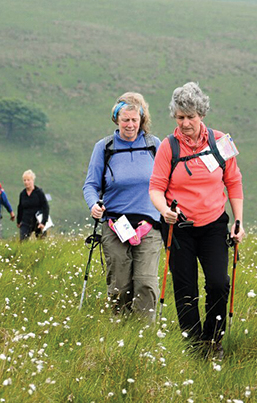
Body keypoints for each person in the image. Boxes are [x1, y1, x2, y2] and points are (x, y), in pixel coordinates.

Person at [149, 82, 245, 360]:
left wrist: (238, 221)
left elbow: (234, 182)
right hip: (178, 228)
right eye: (180, 117)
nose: (186, 123)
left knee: (218, 282)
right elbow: (155, 187)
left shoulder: (221, 142)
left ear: (201, 114)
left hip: (214, 225)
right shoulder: (168, 147)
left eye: (191, 116)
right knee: (185, 288)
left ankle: (214, 341)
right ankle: (194, 348)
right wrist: (164, 209)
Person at [82, 92, 163, 321]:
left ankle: (144, 335)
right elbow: (90, 185)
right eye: (125, 120)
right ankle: (120, 330)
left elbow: (166, 183)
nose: (130, 125)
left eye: (134, 120)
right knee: (119, 284)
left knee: (146, 282)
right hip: (115, 224)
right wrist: (93, 205)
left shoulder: (154, 146)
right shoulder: (104, 147)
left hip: (150, 224)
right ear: (117, 120)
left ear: (142, 119)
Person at [16, 169, 49, 241]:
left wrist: (43, 222)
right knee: (23, 242)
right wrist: (18, 221)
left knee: (41, 242)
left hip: (38, 221)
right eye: (24, 180)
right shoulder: (22, 194)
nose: (26, 182)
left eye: (28, 180)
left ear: (32, 180)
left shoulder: (39, 192)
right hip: (26, 222)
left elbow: (45, 207)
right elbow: (20, 208)